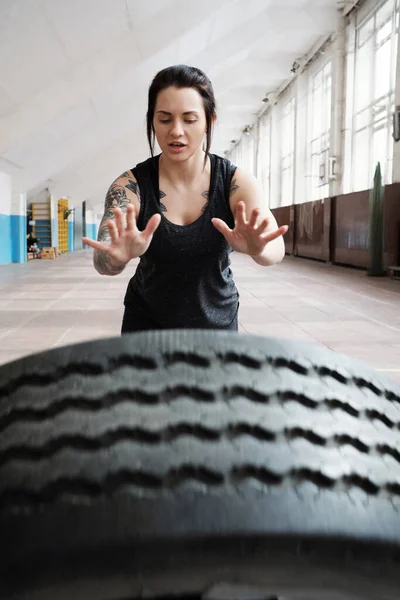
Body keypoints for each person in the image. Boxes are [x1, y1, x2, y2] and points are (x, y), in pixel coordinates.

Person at [82, 65, 288, 333]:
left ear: (208, 122)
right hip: (146, 328)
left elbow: (276, 248)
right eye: (165, 119)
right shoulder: (130, 186)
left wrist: (258, 249)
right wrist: (117, 258)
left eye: (189, 119)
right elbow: (103, 261)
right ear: (152, 121)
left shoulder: (235, 182)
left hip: (217, 327)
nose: (176, 131)